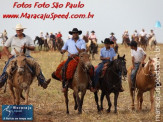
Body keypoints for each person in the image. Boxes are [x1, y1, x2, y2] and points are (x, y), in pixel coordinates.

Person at [0, 24, 51, 89]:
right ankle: (2, 80)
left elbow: (33, 48)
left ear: (22, 30)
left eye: (19, 30)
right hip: (15, 56)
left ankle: (42, 81)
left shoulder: (28, 38)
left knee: (36, 64)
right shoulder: (12, 38)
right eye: (17, 30)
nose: (18, 31)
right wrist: (8, 54)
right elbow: (5, 47)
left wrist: (26, 47)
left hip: (26, 56)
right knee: (8, 66)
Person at [60, 28, 94, 92]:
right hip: (70, 58)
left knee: (90, 68)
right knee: (64, 68)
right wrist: (62, 51)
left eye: (76, 33)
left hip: (80, 58)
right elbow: (63, 49)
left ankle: (91, 84)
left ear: (78, 34)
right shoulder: (68, 41)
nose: (75, 34)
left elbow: (83, 50)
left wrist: (75, 54)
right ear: (72, 34)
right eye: (74, 33)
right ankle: (65, 85)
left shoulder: (82, 41)